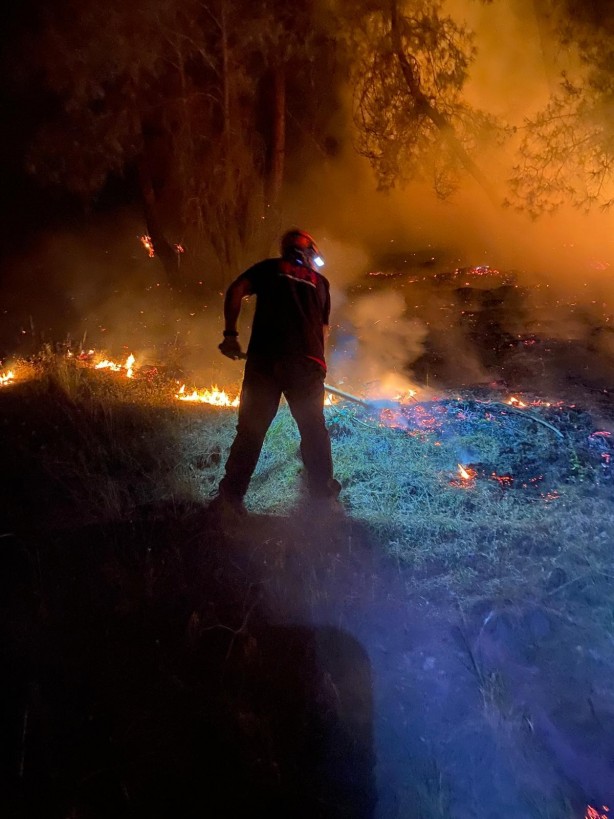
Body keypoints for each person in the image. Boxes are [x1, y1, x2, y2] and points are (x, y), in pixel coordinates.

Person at [210, 228, 341, 518]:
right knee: (314, 431)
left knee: (251, 431)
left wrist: (231, 335)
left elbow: (235, 290)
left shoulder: (269, 268)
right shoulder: (321, 282)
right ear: (311, 253)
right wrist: (319, 365)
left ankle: (230, 499)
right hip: (307, 366)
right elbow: (323, 330)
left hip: (265, 360)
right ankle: (323, 499)